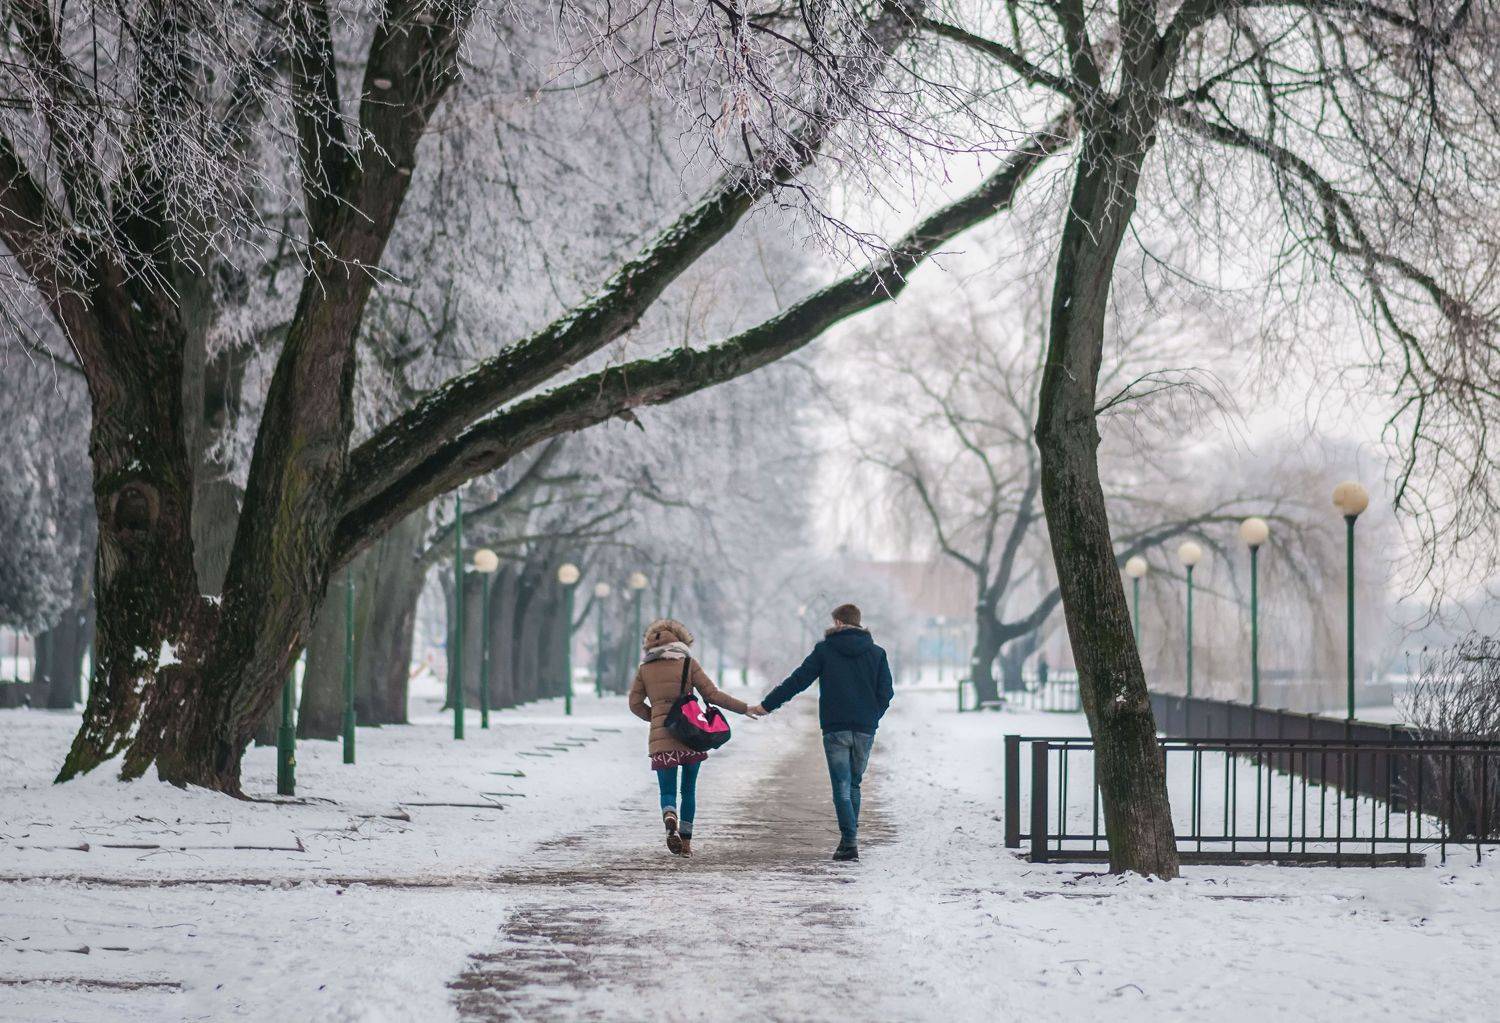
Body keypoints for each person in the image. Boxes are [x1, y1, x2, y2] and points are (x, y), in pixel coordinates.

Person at [749, 603, 893, 861]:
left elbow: (797, 680)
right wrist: (871, 717)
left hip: (835, 727)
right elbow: (886, 693)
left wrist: (766, 705)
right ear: (858, 623)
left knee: (841, 785)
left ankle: (849, 842)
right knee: (855, 784)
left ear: (838, 622)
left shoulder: (825, 651)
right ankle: (849, 838)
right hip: (864, 729)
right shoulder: (877, 653)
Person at [628, 618, 751, 857]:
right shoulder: (688, 663)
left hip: (661, 738)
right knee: (689, 790)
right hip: (690, 734)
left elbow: (634, 704)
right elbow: (712, 695)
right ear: (681, 640)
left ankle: (669, 813)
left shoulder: (645, 669)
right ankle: (685, 843)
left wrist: (655, 717)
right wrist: (744, 708)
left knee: (667, 791)